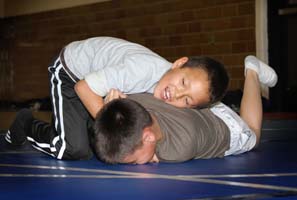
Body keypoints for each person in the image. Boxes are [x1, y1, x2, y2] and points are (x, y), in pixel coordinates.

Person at [5, 36, 229, 160]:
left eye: (187, 101)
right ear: (179, 63)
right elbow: (83, 88)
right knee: (72, 148)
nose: (177, 94)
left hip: (98, 85)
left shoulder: (163, 88)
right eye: (183, 83)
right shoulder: (141, 70)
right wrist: (106, 117)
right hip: (71, 73)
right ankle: (26, 124)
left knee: (100, 141)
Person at [93, 56, 278, 164]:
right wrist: (113, 108)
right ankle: (193, 99)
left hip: (227, 128)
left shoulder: (179, 148)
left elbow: (150, 154)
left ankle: (252, 71)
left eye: (133, 162)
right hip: (194, 102)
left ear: (149, 137)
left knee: (253, 133)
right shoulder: (136, 102)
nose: (135, 164)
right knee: (185, 96)